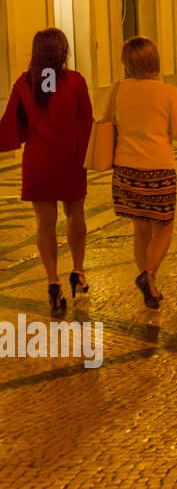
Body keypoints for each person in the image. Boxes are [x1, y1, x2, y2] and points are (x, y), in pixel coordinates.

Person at [0, 29, 93, 314]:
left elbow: (14, 124)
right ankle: (78, 272)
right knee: (75, 214)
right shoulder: (75, 81)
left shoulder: (24, 84)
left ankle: (53, 281)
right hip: (71, 160)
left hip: (38, 162)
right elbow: (87, 121)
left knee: (45, 224)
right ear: (62, 51)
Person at [110, 37, 177, 308]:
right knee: (164, 228)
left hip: (125, 170)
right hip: (158, 168)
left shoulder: (119, 89)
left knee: (140, 229)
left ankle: (151, 287)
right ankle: (149, 275)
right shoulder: (167, 92)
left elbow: (106, 122)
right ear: (154, 61)